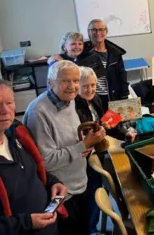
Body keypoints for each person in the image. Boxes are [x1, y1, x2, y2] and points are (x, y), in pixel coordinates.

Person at [24, 61, 107, 235]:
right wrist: (83, 145)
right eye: (65, 81)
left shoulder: (69, 102)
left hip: (80, 184)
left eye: (76, 81)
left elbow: (69, 143)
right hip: (63, 193)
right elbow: (45, 162)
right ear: (50, 83)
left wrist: (86, 145)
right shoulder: (38, 112)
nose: (72, 87)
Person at [0, 78, 67, 235]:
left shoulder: (17, 134)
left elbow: (30, 172)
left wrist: (53, 182)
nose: (5, 111)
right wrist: (26, 223)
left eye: (9, 102)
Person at [74, 66, 135, 233]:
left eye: (93, 85)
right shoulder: (74, 108)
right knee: (93, 193)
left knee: (102, 186)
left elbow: (106, 125)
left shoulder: (97, 100)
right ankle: (91, 229)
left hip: (99, 152)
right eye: (85, 86)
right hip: (85, 159)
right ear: (77, 86)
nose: (90, 89)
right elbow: (87, 135)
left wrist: (125, 134)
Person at [79, 19, 129, 111]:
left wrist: (124, 96)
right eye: (94, 30)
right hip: (91, 98)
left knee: (113, 124)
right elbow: (69, 57)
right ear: (88, 32)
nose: (98, 33)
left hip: (111, 97)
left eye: (101, 29)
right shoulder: (82, 51)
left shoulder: (115, 53)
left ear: (106, 32)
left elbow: (122, 77)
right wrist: (54, 58)